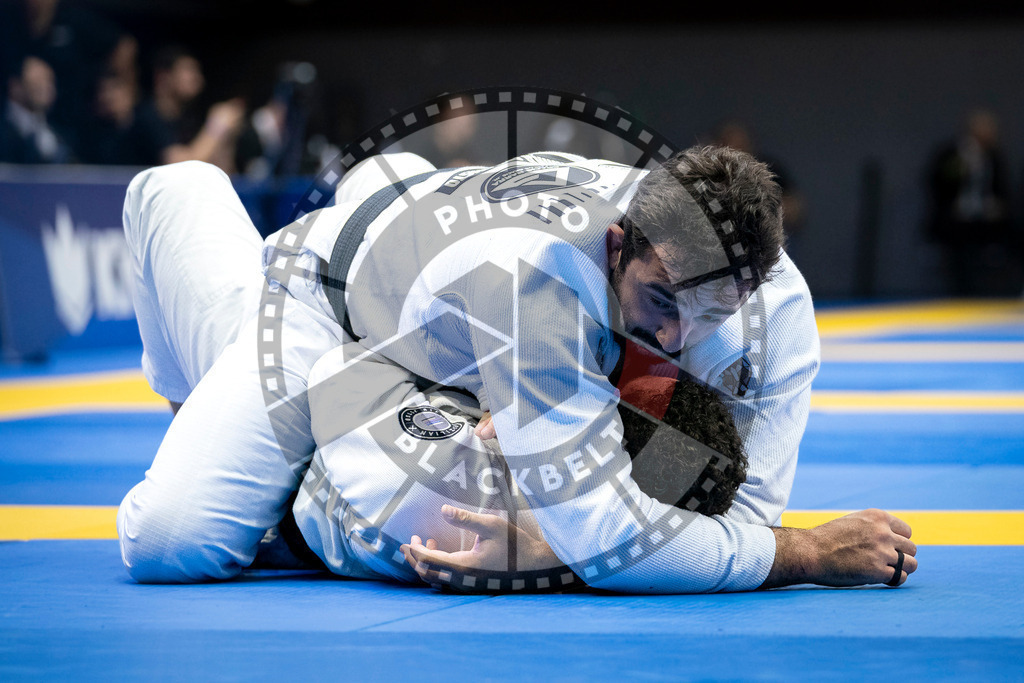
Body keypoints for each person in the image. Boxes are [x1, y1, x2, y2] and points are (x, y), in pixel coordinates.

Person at [116, 148, 916, 591]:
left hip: (436, 276)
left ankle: (389, 181)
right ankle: (182, 202)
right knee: (169, 538)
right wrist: (806, 552)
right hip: (335, 299)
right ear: (617, 247)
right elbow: (614, 536)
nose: (677, 335)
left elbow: (740, 512)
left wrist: (561, 540)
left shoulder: (775, 312)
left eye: (709, 314)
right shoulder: (542, 285)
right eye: (660, 300)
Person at [259, 350, 748, 586]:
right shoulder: (576, 554)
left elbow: (335, 365)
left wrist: (489, 379)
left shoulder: (452, 475)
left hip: (279, 493)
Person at [1, 55, 74, 163]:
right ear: (15, 86)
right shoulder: (4, 132)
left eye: (49, 81)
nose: (46, 89)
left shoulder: (60, 133)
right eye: (38, 82)